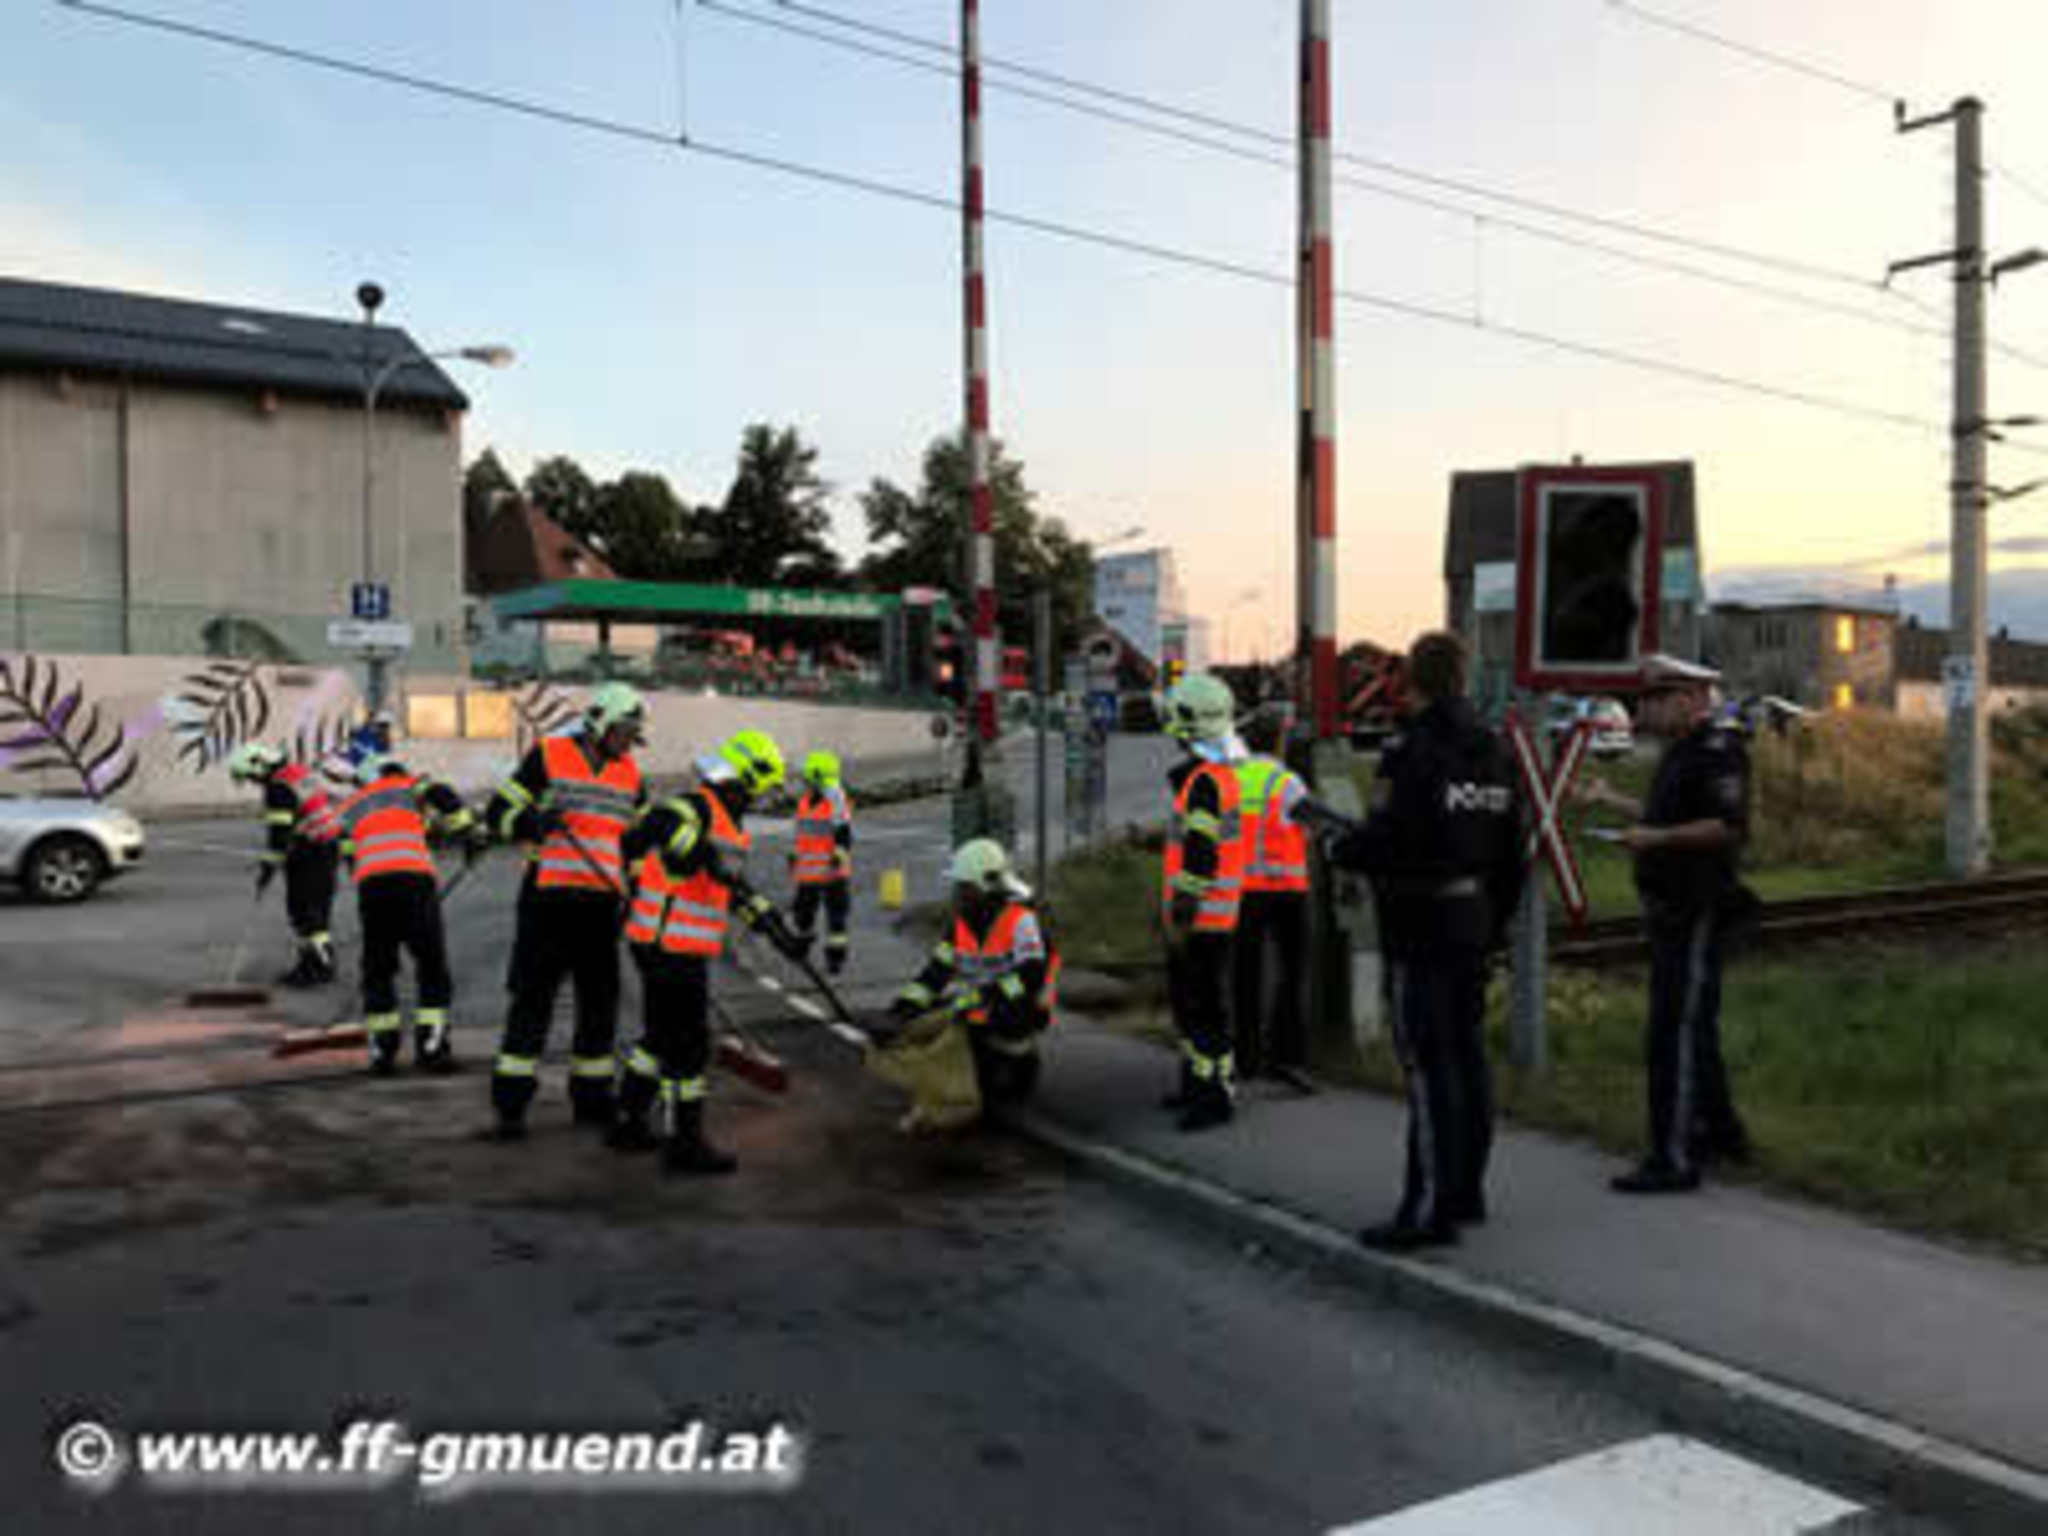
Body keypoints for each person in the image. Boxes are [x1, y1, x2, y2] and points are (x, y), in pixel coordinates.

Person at [1328, 632, 1524, 1250]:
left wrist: (1339, 847)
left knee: (1426, 1067)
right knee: (1466, 1061)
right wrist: (1494, 923)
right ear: (1463, 679)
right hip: (1474, 922)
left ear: (1412, 681)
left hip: (1421, 927)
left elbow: (1391, 841)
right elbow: (1512, 853)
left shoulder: (1412, 751)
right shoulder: (1493, 750)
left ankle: (1427, 1211)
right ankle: (1466, 1192)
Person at [1589, 654, 1754, 1195]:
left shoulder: (1718, 751)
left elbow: (1723, 827)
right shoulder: (1679, 752)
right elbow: (1667, 813)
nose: (1646, 711)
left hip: (1695, 906)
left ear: (1689, 697)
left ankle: (1674, 1157)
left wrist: (1655, 841)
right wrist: (1611, 801)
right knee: (1694, 1028)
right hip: (1668, 908)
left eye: (1656, 700)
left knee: (1673, 1033)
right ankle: (1721, 1132)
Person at [611, 731, 808, 1174]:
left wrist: (777, 930)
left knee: (660, 1036)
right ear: (744, 777)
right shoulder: (696, 806)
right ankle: (686, 1143)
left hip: (675, 947)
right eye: (762, 787)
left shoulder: (732, 827)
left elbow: (734, 890)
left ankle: (628, 1120)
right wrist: (697, 851)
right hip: (667, 946)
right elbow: (649, 829)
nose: (762, 797)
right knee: (689, 1045)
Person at [485, 683, 649, 1141]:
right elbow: (497, 813)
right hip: (548, 902)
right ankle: (511, 1106)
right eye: (622, 730)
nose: (627, 741)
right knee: (533, 1001)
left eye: (632, 734)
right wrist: (531, 821)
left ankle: (592, 1100)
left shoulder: (632, 775)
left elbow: (637, 845)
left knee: (600, 1005)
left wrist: (635, 889)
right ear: (598, 722)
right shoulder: (548, 756)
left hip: (601, 905)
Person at [882, 838, 1059, 1129]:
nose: (958, 895)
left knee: (979, 1048)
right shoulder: (962, 926)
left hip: (1023, 1006)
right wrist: (900, 1011)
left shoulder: (1020, 920)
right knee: (941, 1017)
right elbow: (935, 974)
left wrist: (989, 996)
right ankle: (985, 1069)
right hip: (982, 1004)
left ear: (982, 887)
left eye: (963, 888)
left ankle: (1019, 1065)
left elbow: (1031, 975)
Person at [333, 752, 482, 1074]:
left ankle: (382, 1052)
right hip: (414, 883)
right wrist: (467, 832)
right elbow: (444, 797)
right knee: (430, 964)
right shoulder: (409, 785)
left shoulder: (352, 804)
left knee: (378, 969)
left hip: (373, 888)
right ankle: (431, 1048)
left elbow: (347, 853)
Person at [1158, 672, 1248, 1133]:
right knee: (1198, 1010)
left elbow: (1201, 854)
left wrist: (1182, 911)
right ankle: (1199, 1086)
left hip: (1202, 922)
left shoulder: (1203, 784)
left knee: (1202, 1013)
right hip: (1217, 917)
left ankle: (1212, 1099)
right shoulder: (1218, 778)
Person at [1233, 707, 1314, 1090]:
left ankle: (1243, 1057)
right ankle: (1285, 1056)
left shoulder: (1233, 780)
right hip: (1287, 890)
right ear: (1279, 741)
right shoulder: (1289, 782)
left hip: (1243, 891)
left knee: (1243, 975)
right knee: (1290, 973)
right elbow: (1310, 830)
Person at [227, 743, 341, 988]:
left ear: (259, 766)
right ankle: (315, 963)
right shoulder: (297, 773)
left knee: (304, 912)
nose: (252, 782)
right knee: (315, 912)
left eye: (249, 776)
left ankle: (318, 967)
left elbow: (280, 835)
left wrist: (268, 869)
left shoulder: (278, 789)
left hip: (310, 851)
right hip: (325, 847)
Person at [790, 750, 855, 975]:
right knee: (802, 914)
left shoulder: (835, 798)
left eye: (808, 780)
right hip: (808, 872)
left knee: (836, 919)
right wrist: (794, 853)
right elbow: (802, 833)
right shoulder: (805, 802)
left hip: (832, 872)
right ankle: (803, 944)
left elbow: (844, 833)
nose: (805, 784)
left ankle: (835, 958)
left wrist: (838, 855)